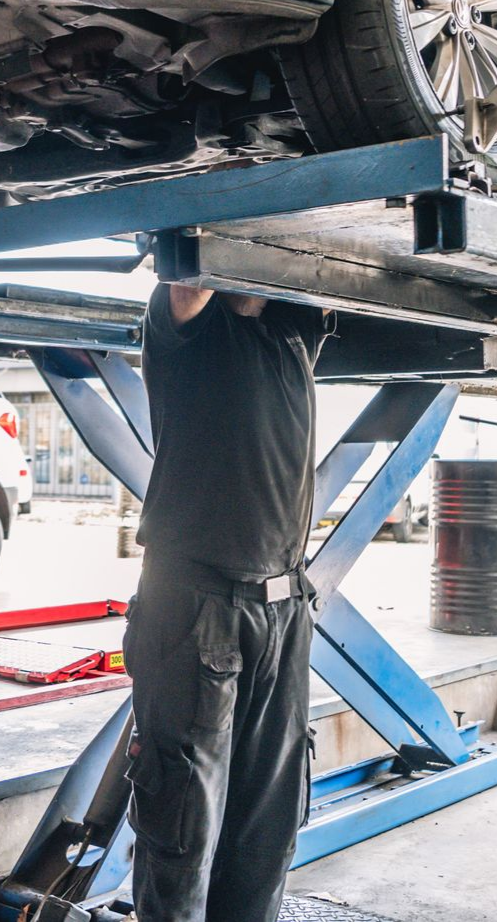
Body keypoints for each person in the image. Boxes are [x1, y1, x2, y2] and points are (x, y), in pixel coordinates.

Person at [122, 282, 334, 922]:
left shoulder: (291, 333)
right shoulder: (186, 330)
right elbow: (192, 278)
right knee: (183, 823)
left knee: (267, 827)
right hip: (197, 607)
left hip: (285, 606)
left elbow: (328, 276)